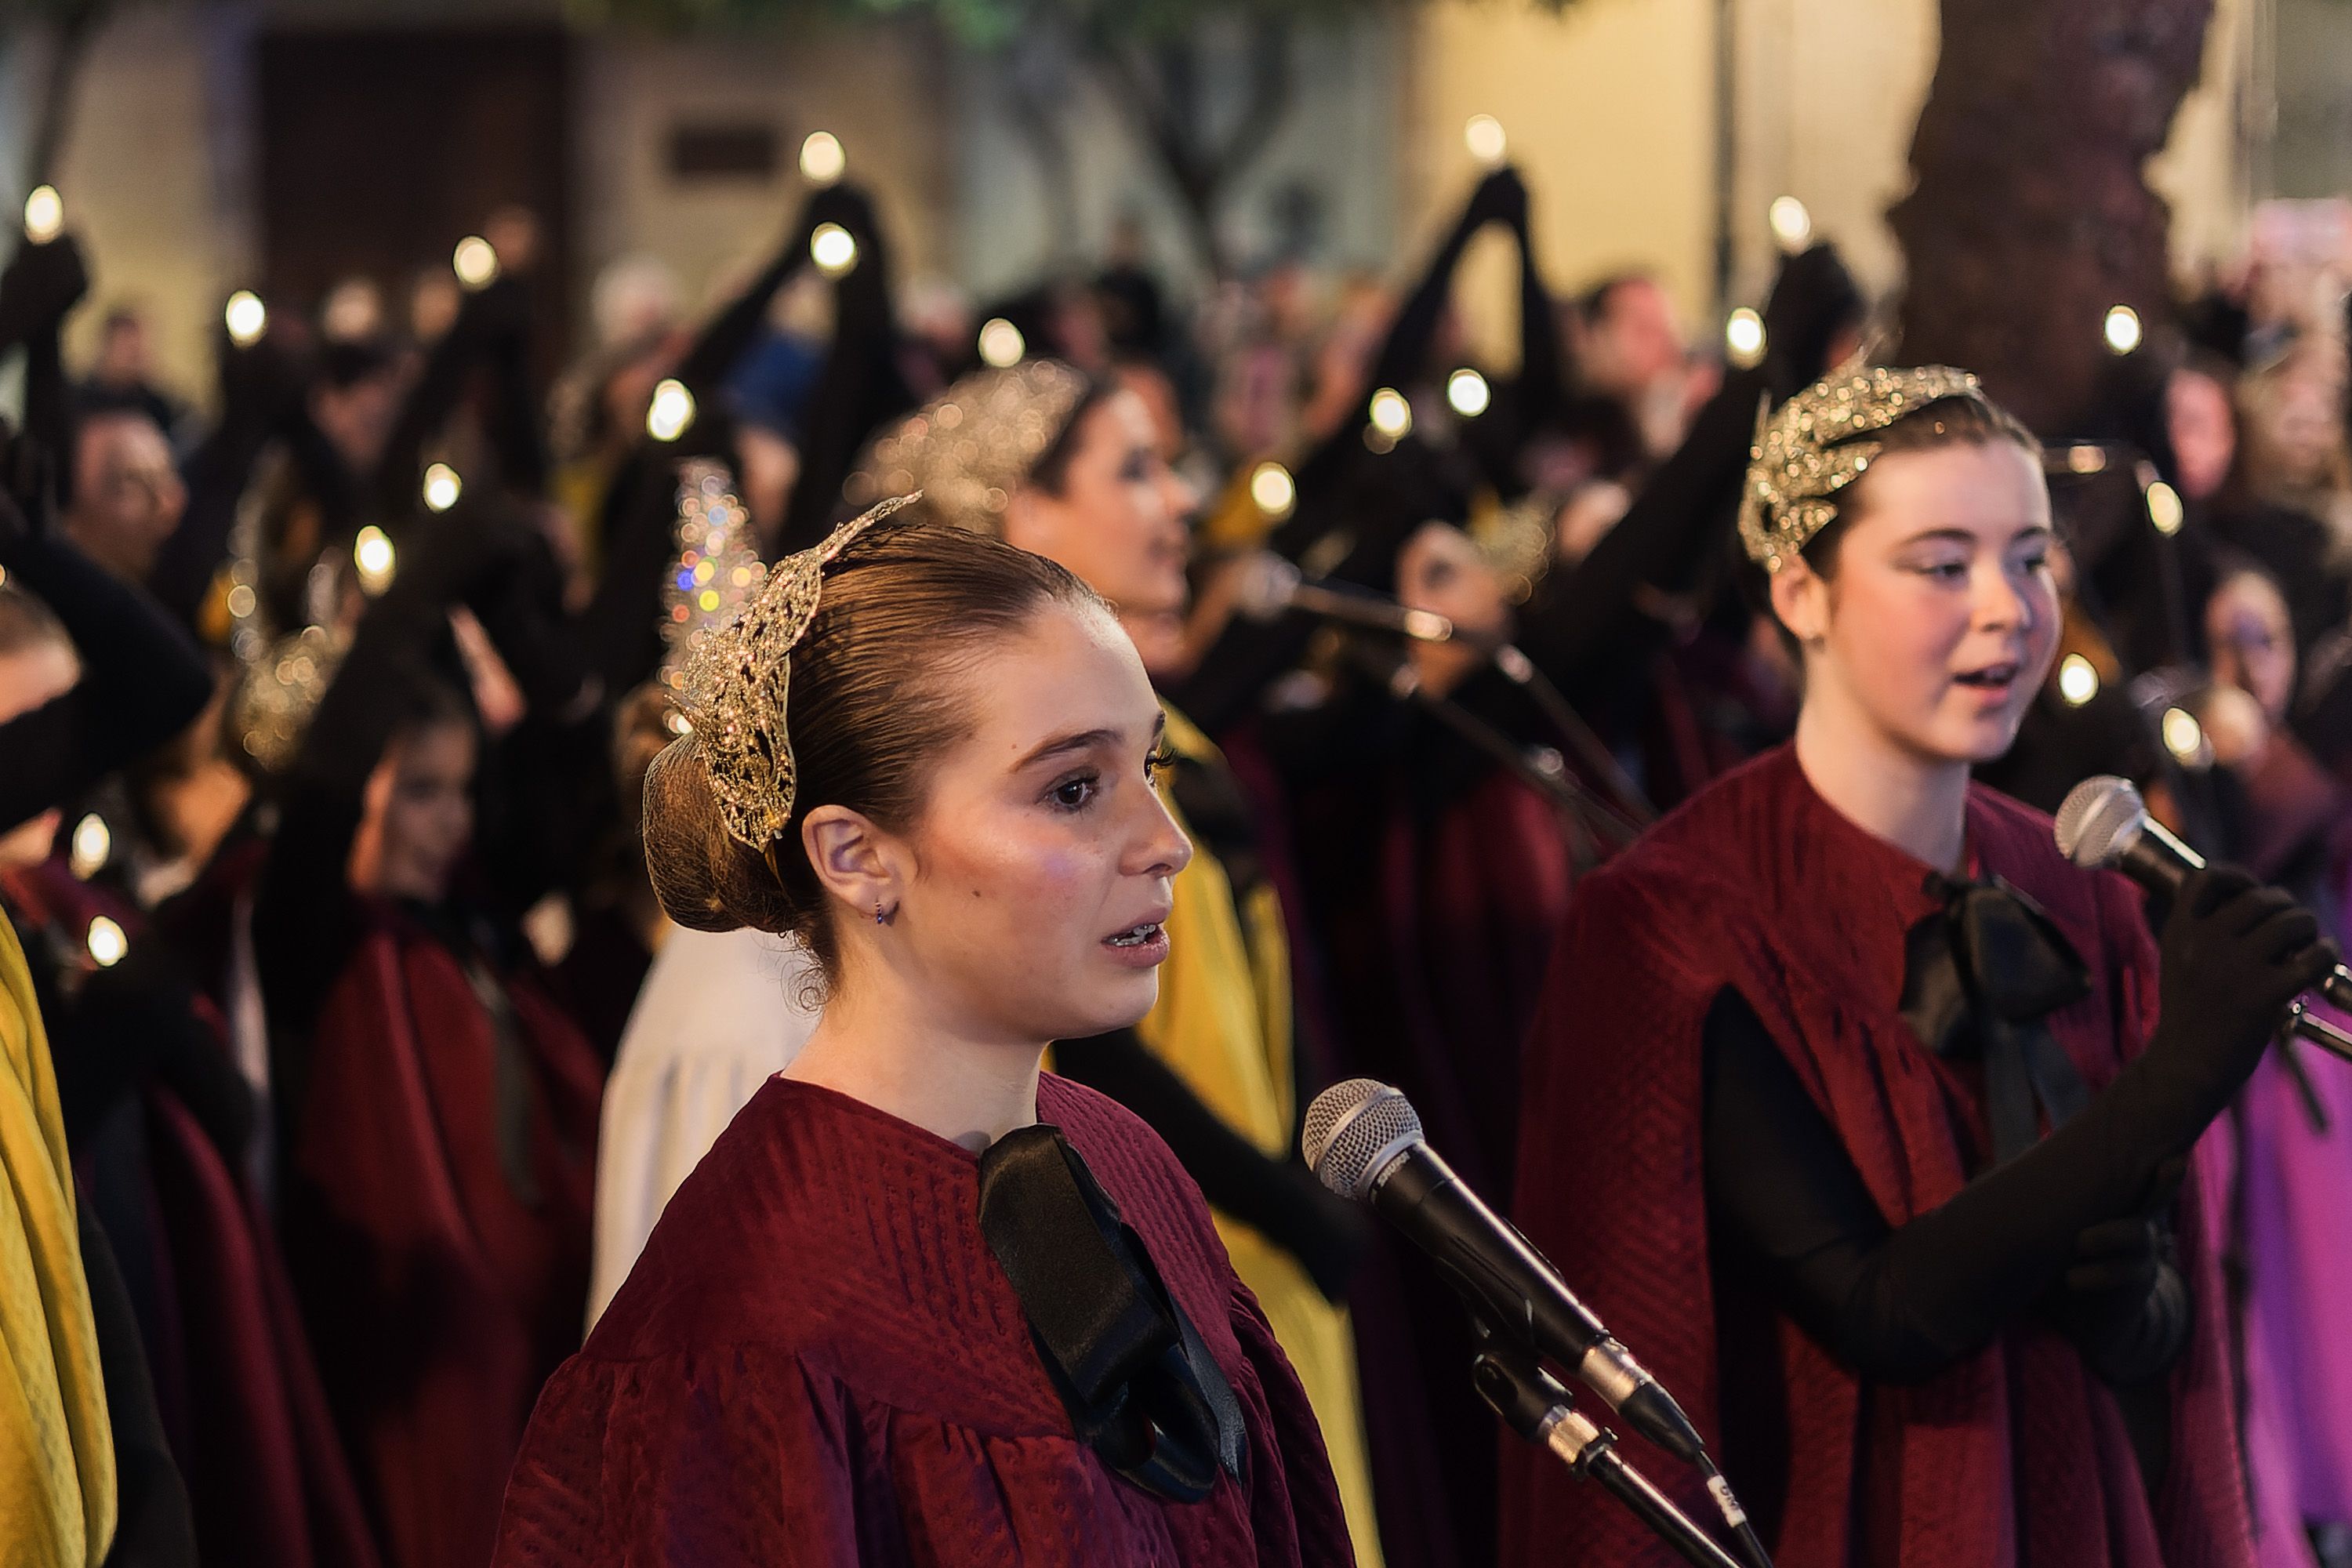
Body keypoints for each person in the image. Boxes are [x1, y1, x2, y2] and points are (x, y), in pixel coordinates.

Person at [1501, 364, 2336, 1567]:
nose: (2008, 608)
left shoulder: (2080, 887)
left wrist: (2133, 1308)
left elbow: (2163, 1341)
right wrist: (2175, 1082)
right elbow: (1878, 1311)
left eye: (2032, 558)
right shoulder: (1676, 915)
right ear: (1801, 590)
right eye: (1943, 564)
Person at [495, 509, 1354, 1566]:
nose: (1163, 844)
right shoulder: (748, 1331)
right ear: (856, 856)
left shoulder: (1131, 1162)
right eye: (1074, 788)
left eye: (1151, 768)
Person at [850, 359, 1385, 1564]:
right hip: (1157, 1263)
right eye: (1134, 470)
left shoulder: (1177, 733)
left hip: (1247, 1251)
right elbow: (1095, 1055)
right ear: (1020, 519)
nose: (1182, 503)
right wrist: (1280, 1200)